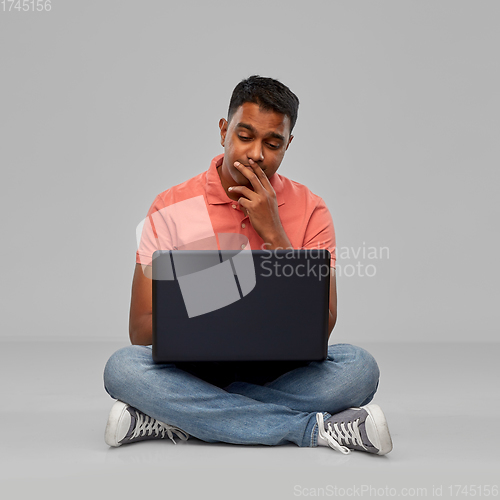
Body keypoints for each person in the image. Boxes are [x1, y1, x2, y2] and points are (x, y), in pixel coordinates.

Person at [103, 75, 393, 455]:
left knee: (359, 367)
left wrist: (275, 235)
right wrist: (227, 289)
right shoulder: (170, 206)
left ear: (288, 145)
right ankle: (311, 429)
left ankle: (179, 414)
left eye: (273, 144)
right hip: (191, 369)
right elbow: (140, 330)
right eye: (245, 136)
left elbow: (322, 325)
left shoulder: (312, 210)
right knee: (123, 367)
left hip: (281, 371)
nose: (256, 153)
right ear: (223, 131)